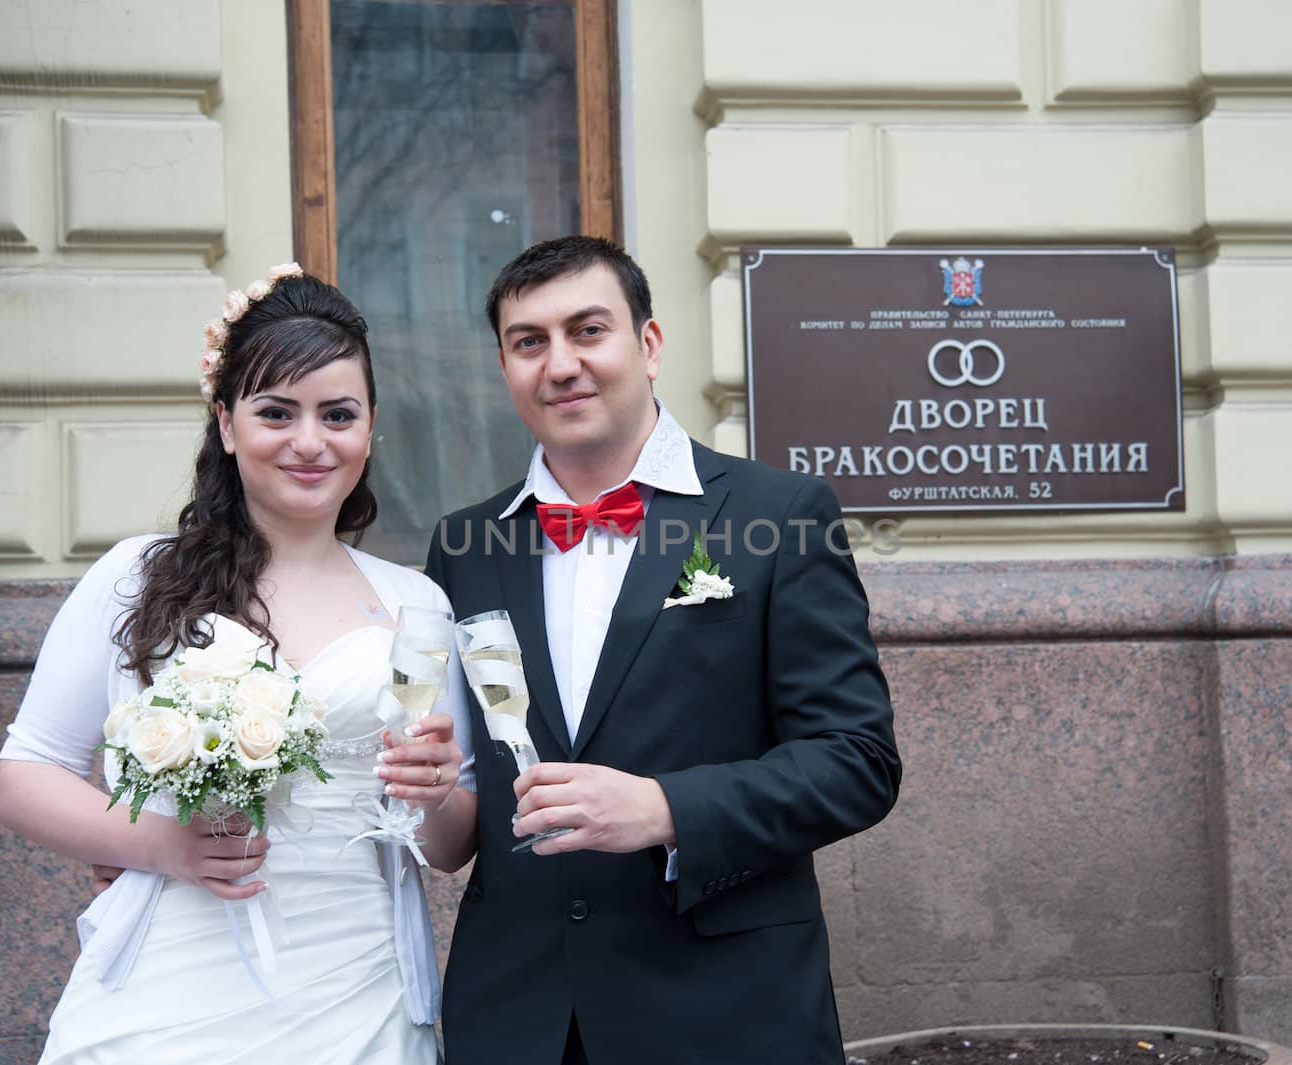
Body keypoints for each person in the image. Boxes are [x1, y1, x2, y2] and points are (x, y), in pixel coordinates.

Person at [380, 236, 901, 1064]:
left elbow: (858, 760)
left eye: (589, 330)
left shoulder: (782, 513)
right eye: (529, 342)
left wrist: (664, 809)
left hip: (725, 1009)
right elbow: (468, 824)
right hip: (518, 1015)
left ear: (648, 345)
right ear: (506, 367)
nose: (561, 364)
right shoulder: (465, 544)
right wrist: (434, 788)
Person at [0, 268, 477, 1062]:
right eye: (276, 412)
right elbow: (25, 773)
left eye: (338, 414)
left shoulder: (418, 604)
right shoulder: (136, 575)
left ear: (371, 426)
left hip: (357, 983)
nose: (310, 441)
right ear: (226, 424)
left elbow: (453, 841)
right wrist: (161, 844)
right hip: (170, 977)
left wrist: (434, 790)